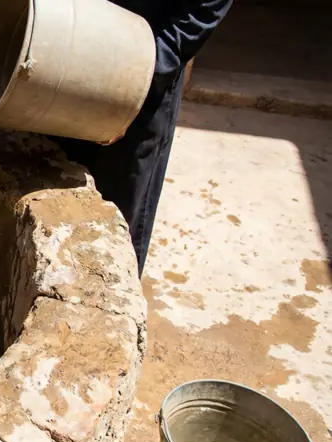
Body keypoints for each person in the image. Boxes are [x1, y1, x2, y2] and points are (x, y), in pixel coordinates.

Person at [54, 0, 234, 276]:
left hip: (141, 80)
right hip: (70, 53)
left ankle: (106, 307)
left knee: (116, 215)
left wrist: (127, 92)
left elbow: (191, 22)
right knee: (50, 183)